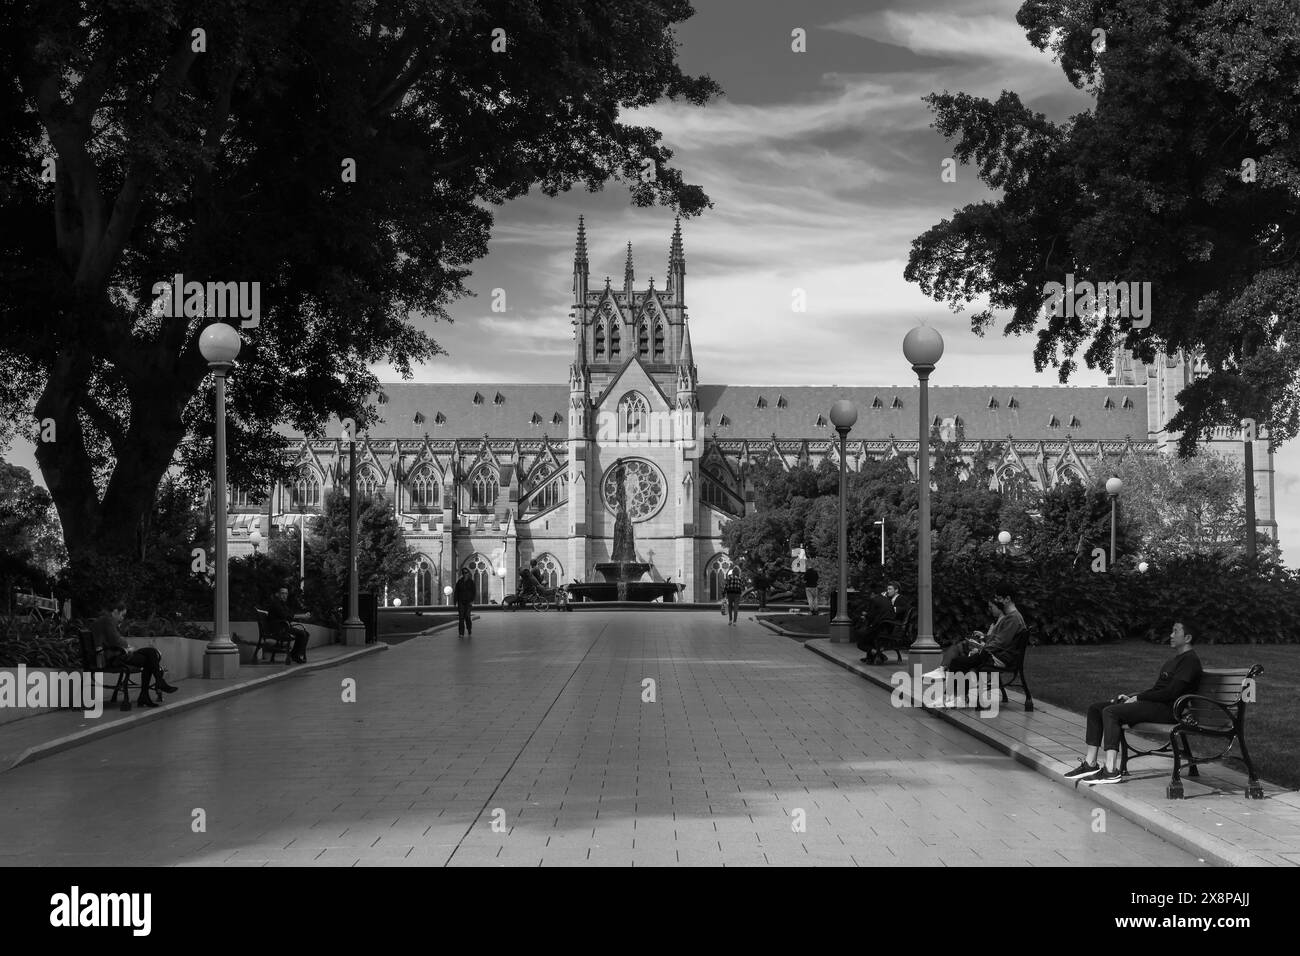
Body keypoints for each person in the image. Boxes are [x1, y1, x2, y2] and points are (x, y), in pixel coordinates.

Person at [1065, 622, 1203, 785]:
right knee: (1096, 709)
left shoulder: (1190, 661)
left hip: (1169, 710)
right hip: (1157, 706)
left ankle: (1110, 771)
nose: (1171, 635)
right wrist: (1133, 697)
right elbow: (1158, 690)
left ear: (1187, 638)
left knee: (1111, 712)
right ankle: (1090, 764)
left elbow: (1171, 693)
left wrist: (1139, 698)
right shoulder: (1174, 660)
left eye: (1175, 631)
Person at [91, 600, 178, 708]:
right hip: (115, 657)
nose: (122, 618)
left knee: (151, 653)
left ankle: (151, 690)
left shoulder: (105, 620)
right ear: (115, 611)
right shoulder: (107, 621)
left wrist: (127, 647)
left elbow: (114, 640)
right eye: (122, 615)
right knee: (151, 658)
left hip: (117, 654)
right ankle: (152, 689)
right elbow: (115, 640)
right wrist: (128, 647)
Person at [268, 586, 311, 663]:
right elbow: (286, 616)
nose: (284, 595)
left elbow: (290, 615)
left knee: (306, 634)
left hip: (284, 627)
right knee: (302, 634)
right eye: (282, 593)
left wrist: (303, 615)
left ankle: (294, 654)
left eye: (286, 593)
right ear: (277, 594)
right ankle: (295, 655)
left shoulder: (283, 604)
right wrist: (302, 616)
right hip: (278, 629)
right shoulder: (276, 604)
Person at [857, 588, 896, 663]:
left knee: (861, 642)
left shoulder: (874, 600)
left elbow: (872, 615)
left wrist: (865, 615)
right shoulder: (886, 599)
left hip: (879, 628)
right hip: (888, 628)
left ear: (872, 594)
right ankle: (871, 657)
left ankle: (877, 653)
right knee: (868, 637)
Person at [453, 567, 476, 637]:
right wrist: (455, 601)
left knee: (467, 616)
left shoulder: (471, 582)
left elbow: (474, 592)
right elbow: (456, 592)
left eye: (466, 572)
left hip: (468, 602)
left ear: (468, 573)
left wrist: (472, 600)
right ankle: (461, 633)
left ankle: (469, 628)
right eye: (463, 573)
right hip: (461, 601)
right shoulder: (459, 582)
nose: (465, 574)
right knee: (461, 617)